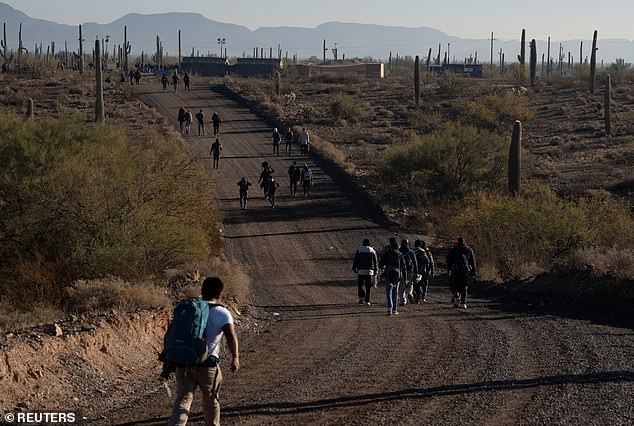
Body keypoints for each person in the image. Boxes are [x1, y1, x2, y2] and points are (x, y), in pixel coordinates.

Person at [168, 276, 239, 426]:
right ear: (219, 294)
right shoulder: (222, 312)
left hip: (184, 363)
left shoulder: (188, 308)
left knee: (183, 399)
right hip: (208, 365)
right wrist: (235, 357)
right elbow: (230, 336)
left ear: (202, 291)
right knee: (211, 399)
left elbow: (171, 333)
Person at [446, 236, 477, 309]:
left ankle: (457, 296)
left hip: (456, 270)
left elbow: (449, 260)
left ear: (458, 242)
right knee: (464, 286)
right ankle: (463, 302)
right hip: (465, 271)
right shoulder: (469, 249)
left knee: (456, 285)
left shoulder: (454, 249)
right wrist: (474, 271)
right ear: (464, 242)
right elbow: (472, 261)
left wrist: (449, 269)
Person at [379, 237, 406, 316]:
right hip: (397, 274)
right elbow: (403, 267)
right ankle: (395, 309)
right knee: (395, 292)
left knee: (388, 292)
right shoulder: (400, 254)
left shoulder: (387, 253)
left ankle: (389, 308)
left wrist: (383, 269)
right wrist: (405, 278)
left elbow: (381, 264)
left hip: (389, 273)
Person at [352, 239, 378, 305]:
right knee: (368, 286)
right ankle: (367, 300)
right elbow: (375, 262)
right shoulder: (372, 250)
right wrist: (376, 270)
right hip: (369, 271)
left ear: (363, 243)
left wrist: (354, 268)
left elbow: (356, 259)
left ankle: (361, 298)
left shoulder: (359, 250)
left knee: (360, 285)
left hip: (361, 271)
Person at [398, 239, 418, 306]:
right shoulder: (411, 252)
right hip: (410, 271)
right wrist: (416, 272)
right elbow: (415, 263)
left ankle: (402, 301)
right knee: (410, 284)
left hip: (401, 271)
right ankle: (410, 293)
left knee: (402, 286)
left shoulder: (399, 252)